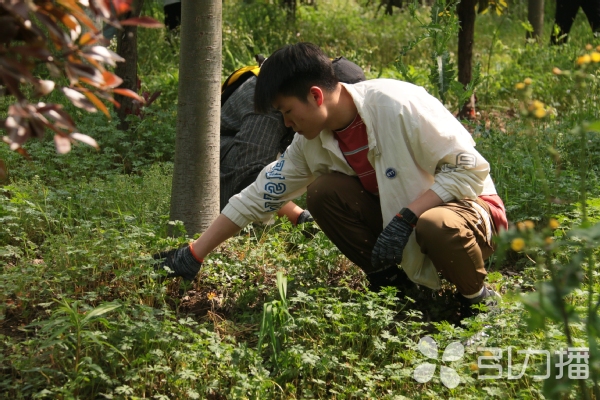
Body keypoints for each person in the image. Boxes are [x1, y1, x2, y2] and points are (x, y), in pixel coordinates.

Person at [155, 42, 507, 313]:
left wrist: (409, 216)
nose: (287, 123)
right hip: (405, 219)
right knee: (323, 193)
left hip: (470, 213)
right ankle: (396, 289)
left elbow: (470, 169)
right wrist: (194, 253)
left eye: (288, 112)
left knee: (435, 225)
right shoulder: (311, 142)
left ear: (316, 95)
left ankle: (476, 301)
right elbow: (260, 193)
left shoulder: (397, 105)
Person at [219, 56, 366, 224]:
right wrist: (301, 218)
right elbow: (249, 178)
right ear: (317, 95)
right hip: (221, 164)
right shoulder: (273, 103)